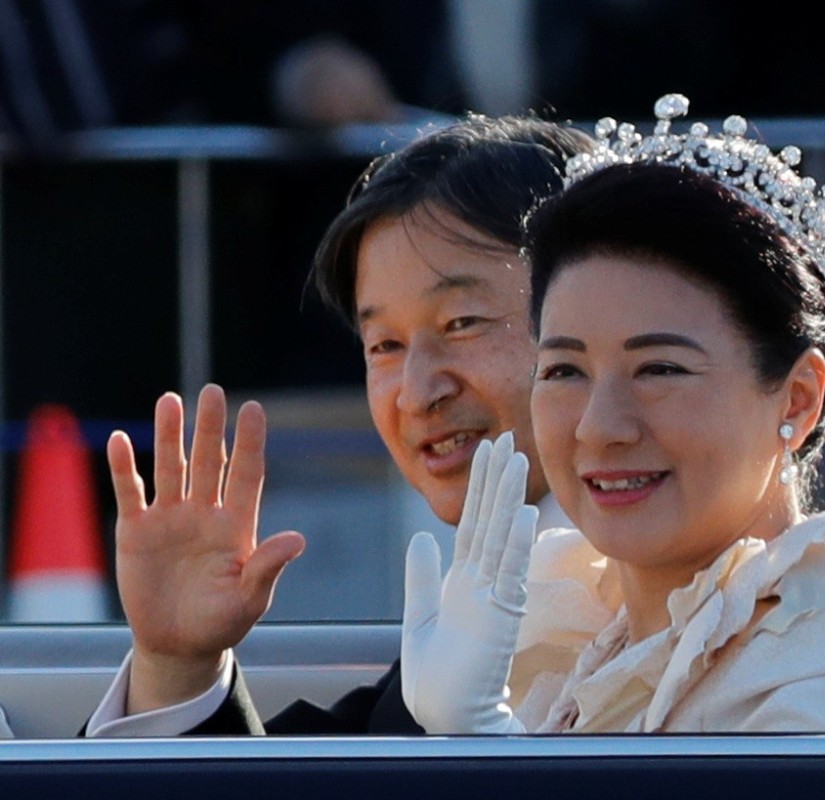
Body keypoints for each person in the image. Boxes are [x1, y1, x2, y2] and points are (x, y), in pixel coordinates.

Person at [399, 94, 825, 733]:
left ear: (798, 397)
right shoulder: (570, 624)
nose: (598, 427)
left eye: (660, 370)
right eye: (564, 370)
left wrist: (486, 748)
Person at [84, 111, 594, 736]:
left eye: (462, 323)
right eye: (384, 345)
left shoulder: (694, 612)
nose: (416, 393)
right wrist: (177, 666)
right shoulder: (467, 626)